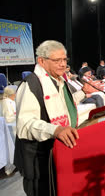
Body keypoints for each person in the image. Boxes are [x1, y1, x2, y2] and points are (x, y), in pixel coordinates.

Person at [14, 40, 79, 196]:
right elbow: (25, 124)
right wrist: (55, 130)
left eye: (65, 60)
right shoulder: (31, 84)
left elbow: (63, 110)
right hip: (37, 162)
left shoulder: (59, 81)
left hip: (57, 156)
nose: (63, 64)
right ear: (41, 61)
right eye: (57, 60)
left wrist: (83, 92)